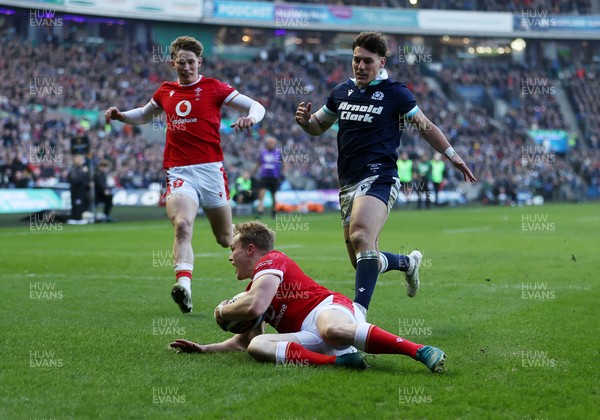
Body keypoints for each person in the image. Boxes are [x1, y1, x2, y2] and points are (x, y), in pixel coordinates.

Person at [294, 32, 476, 314]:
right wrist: (306, 123)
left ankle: (357, 316)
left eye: (368, 61)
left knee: (360, 236)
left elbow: (425, 125)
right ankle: (407, 263)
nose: (361, 66)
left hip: (380, 177)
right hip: (348, 183)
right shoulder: (341, 92)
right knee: (361, 259)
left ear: (382, 62)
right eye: (356, 60)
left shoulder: (395, 93)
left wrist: (452, 155)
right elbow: (319, 125)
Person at [105, 36, 266, 313]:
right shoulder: (165, 91)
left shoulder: (213, 87)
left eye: (192, 62)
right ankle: (184, 285)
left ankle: (265, 274)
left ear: (199, 63)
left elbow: (257, 106)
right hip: (179, 171)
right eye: (182, 62)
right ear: (173, 63)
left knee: (226, 238)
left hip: (211, 171)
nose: (187, 67)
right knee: (182, 225)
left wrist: (251, 118)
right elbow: (143, 115)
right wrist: (121, 115)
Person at [170, 221, 446, 373]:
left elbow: (256, 305)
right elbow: (244, 342)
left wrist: (221, 311)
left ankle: (419, 350)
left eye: (233, 249)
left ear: (251, 249)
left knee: (332, 329)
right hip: (308, 339)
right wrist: (205, 348)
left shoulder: (272, 261)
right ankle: (339, 362)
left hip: (328, 309)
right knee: (258, 347)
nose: (230, 256)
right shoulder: (255, 287)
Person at [253, 136, 286, 218]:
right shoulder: (263, 152)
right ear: (267, 143)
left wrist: (283, 173)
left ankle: (274, 211)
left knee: (273, 195)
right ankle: (259, 212)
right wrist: (252, 172)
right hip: (264, 177)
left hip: (274, 177)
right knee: (261, 194)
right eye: (270, 142)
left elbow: (284, 163)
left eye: (273, 142)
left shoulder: (278, 152)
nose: (271, 144)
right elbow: (258, 163)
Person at [67, 154, 91, 224]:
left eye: (81, 159)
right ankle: (76, 218)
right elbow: (75, 180)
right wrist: (83, 173)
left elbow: (86, 180)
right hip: (76, 191)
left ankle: (79, 217)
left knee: (82, 204)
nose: (80, 161)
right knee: (77, 204)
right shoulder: (73, 169)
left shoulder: (83, 168)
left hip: (83, 191)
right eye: (79, 159)